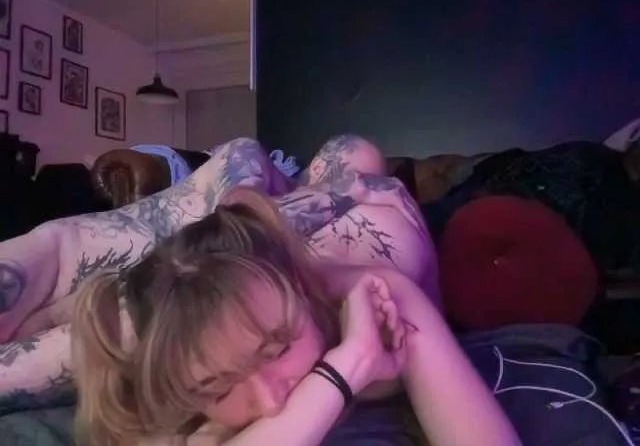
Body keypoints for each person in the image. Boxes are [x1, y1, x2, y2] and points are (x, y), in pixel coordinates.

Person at [0, 135, 518, 445]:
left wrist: (351, 361)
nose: (271, 402)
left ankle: (284, 190)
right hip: (255, 238)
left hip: (371, 216)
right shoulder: (167, 323)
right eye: (217, 388)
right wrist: (346, 368)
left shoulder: (381, 295)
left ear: (299, 289)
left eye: (278, 347)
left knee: (353, 153)